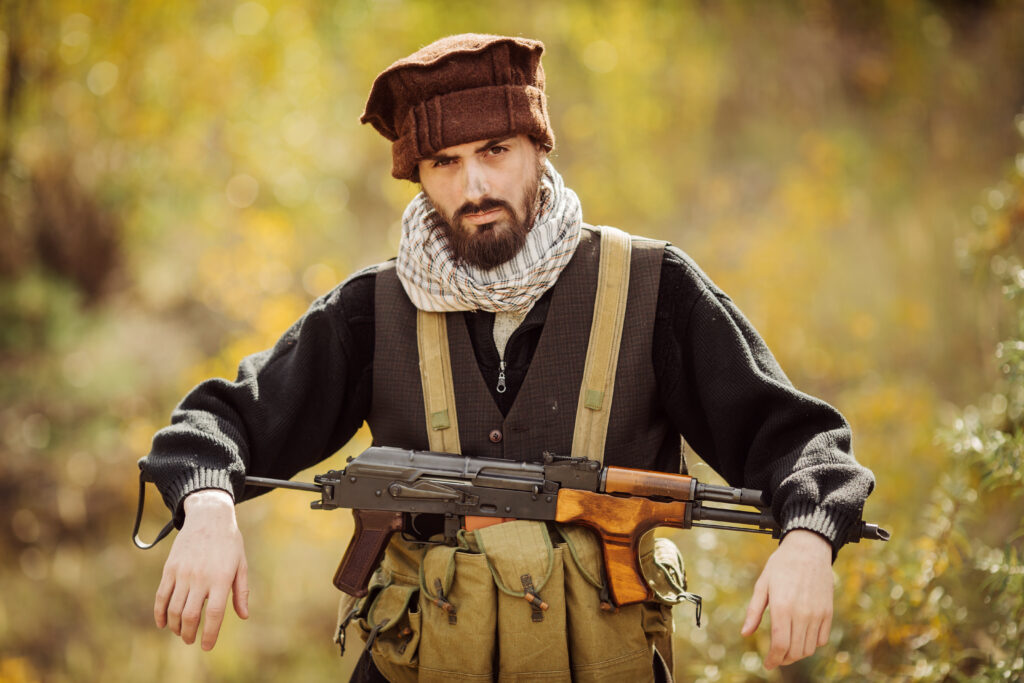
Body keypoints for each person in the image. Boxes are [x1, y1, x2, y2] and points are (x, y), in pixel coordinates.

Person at [140, 33, 875, 682]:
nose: (475, 186)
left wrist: (808, 538)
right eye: (445, 161)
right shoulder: (376, 309)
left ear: (538, 148)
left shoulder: (652, 288)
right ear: (417, 175)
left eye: (495, 151)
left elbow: (800, 440)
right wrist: (208, 505)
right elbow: (215, 423)